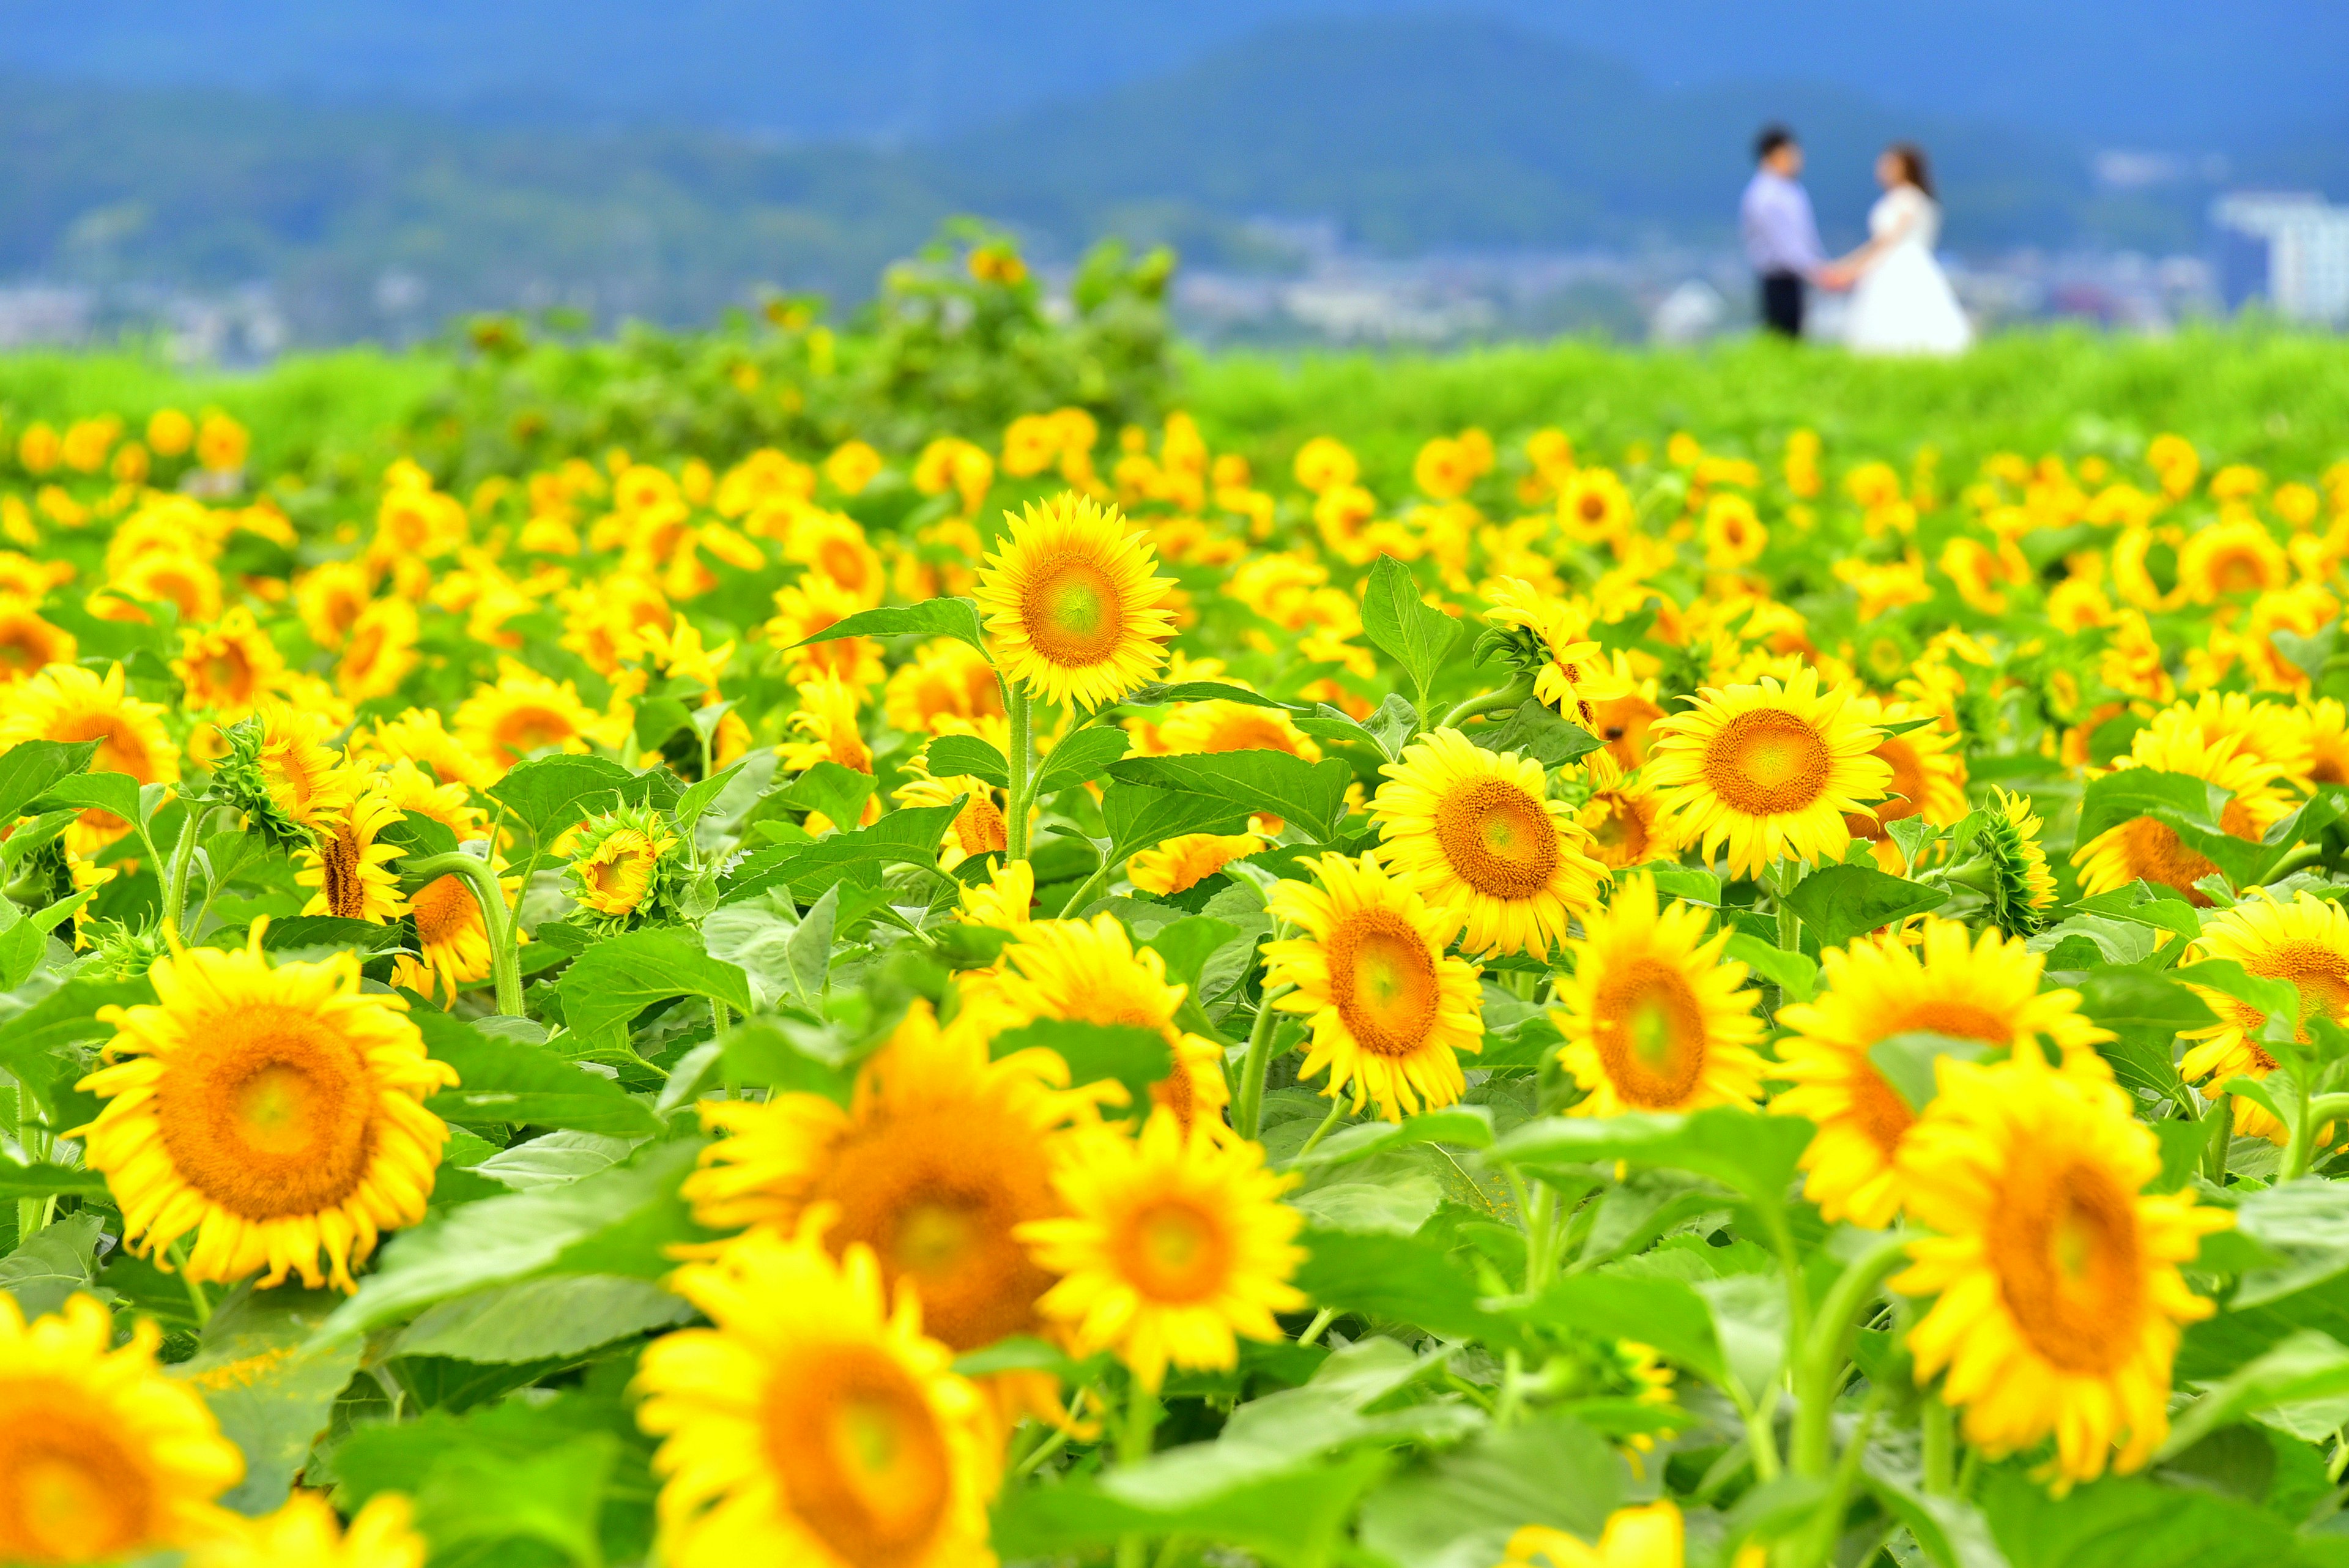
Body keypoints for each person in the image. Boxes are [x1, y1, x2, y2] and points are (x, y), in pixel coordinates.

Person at [1828, 143, 1973, 357]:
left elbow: (1886, 241)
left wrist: (1850, 268)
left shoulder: (1906, 199)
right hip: (1909, 264)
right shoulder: (1916, 198)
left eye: (1889, 165)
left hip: (1898, 265)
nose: (1882, 171)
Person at [1740, 125, 1829, 338]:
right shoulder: (1765, 194)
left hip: (1795, 275)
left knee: (1794, 334)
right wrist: (1819, 271)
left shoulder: (1790, 189)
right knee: (1783, 336)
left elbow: (1806, 237)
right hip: (1779, 277)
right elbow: (1784, 246)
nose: (1798, 159)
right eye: (1792, 154)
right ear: (1775, 155)